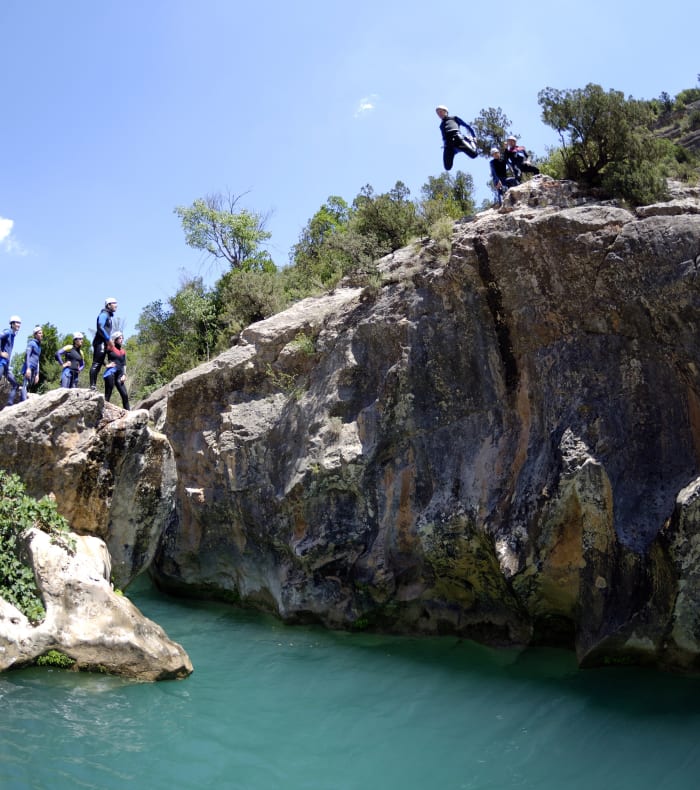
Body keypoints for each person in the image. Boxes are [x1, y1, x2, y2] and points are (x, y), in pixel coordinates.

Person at [436, 105, 478, 171]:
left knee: (474, 155)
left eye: (440, 112)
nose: (439, 114)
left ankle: (469, 141)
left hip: (457, 139)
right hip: (448, 145)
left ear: (445, 111)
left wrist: (474, 136)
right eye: (438, 113)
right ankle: (455, 150)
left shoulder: (453, 118)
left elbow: (467, 126)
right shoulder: (441, 125)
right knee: (447, 167)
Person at [89, 297, 118, 389]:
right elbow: (100, 327)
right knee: (96, 364)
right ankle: (92, 386)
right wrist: (108, 339)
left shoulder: (109, 316)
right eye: (114, 303)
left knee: (99, 362)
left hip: (103, 343)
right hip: (100, 342)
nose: (116, 305)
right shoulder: (104, 314)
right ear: (108, 305)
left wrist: (106, 364)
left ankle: (93, 385)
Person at [103, 330, 129, 410]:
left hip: (120, 375)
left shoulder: (123, 351)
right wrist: (106, 365)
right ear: (115, 339)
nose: (122, 339)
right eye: (120, 338)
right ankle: (103, 413)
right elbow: (100, 356)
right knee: (108, 395)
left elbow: (124, 364)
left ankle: (129, 414)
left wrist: (124, 374)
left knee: (125, 395)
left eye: (122, 338)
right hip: (110, 373)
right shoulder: (110, 347)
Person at [0, 315, 22, 405]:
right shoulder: (7, 332)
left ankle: (9, 404)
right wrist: (1, 353)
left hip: (6, 365)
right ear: (12, 324)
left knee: (15, 385)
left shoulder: (13, 335)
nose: (19, 325)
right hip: (1, 362)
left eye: (20, 323)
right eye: (17, 323)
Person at [20, 325, 43, 402]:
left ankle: (23, 401)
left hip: (34, 370)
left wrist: (37, 374)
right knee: (25, 385)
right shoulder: (31, 343)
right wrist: (28, 368)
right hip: (29, 368)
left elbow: (38, 360)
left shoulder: (39, 346)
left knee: (30, 386)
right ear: (35, 335)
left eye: (41, 333)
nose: (41, 334)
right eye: (39, 333)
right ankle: (23, 403)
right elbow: (27, 356)